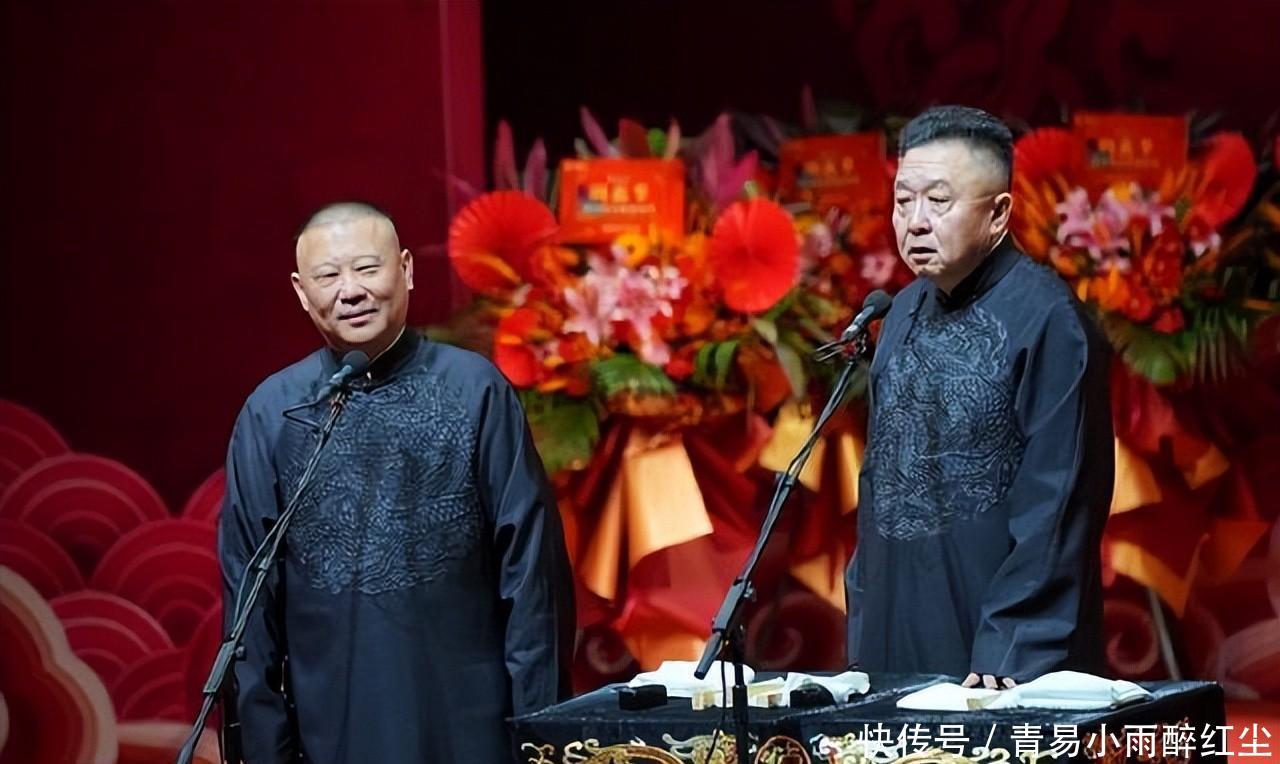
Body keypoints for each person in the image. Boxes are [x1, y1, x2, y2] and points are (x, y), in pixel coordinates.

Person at [217, 201, 575, 763]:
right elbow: (249, 607)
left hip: (471, 732)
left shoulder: (475, 391)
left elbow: (533, 581)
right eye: (328, 276)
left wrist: (538, 740)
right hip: (331, 731)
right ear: (301, 292)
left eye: (367, 268)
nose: (350, 291)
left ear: (406, 269)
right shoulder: (274, 414)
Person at [844, 106, 1114, 690]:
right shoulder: (900, 312)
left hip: (999, 658)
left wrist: (1012, 648)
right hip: (896, 626)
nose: (915, 222)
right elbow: (880, 485)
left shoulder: (1049, 320)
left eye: (938, 201)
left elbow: (1059, 505)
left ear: (998, 214)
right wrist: (864, 624)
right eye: (903, 201)